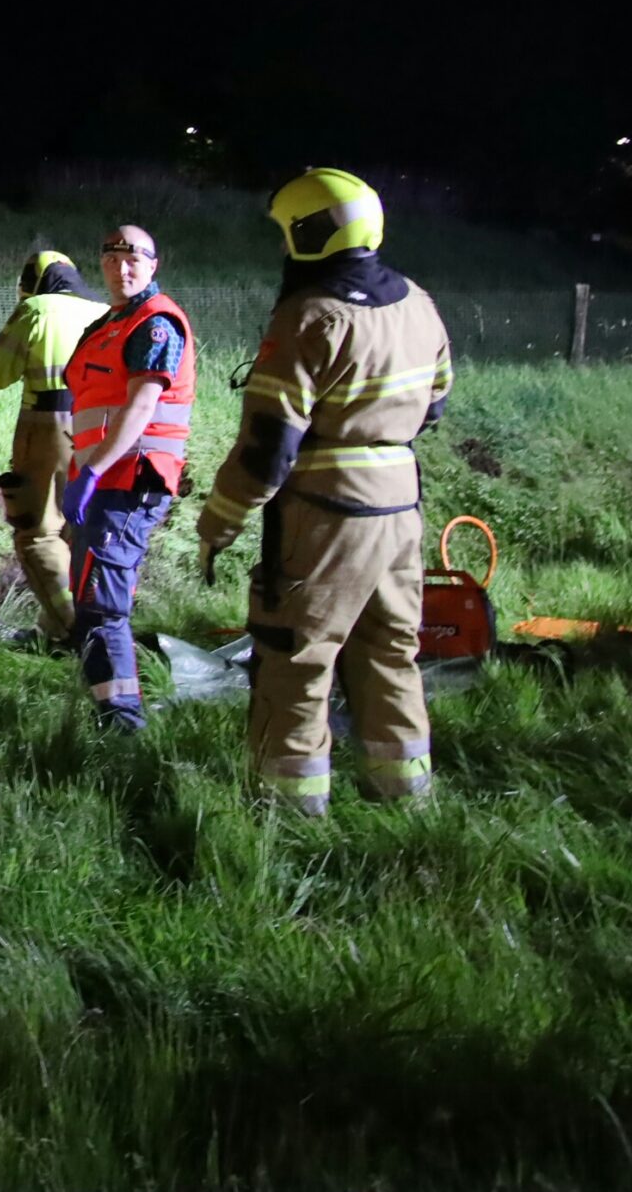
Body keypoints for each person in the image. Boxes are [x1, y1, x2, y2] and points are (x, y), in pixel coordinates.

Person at [193, 170, 454, 816]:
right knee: (391, 651)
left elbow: (266, 447)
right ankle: (406, 800)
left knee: (297, 657)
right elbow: (437, 404)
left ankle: (290, 810)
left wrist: (219, 521)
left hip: (326, 512)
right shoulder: (418, 301)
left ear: (309, 233)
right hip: (400, 505)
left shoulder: (309, 315)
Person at [57, 225, 197, 731]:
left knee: (102, 603)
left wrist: (91, 470)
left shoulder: (154, 323)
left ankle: (121, 724)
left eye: (134, 258)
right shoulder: (109, 323)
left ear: (153, 264)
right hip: (100, 480)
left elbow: (141, 406)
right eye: (113, 258)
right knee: (91, 597)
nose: (123, 268)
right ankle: (107, 708)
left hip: (129, 478)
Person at [0, 249, 107, 642]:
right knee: (79, 531)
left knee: (36, 532)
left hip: (47, 429)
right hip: (100, 433)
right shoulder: (103, 312)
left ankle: (73, 627)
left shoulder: (37, 310)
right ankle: (60, 626)